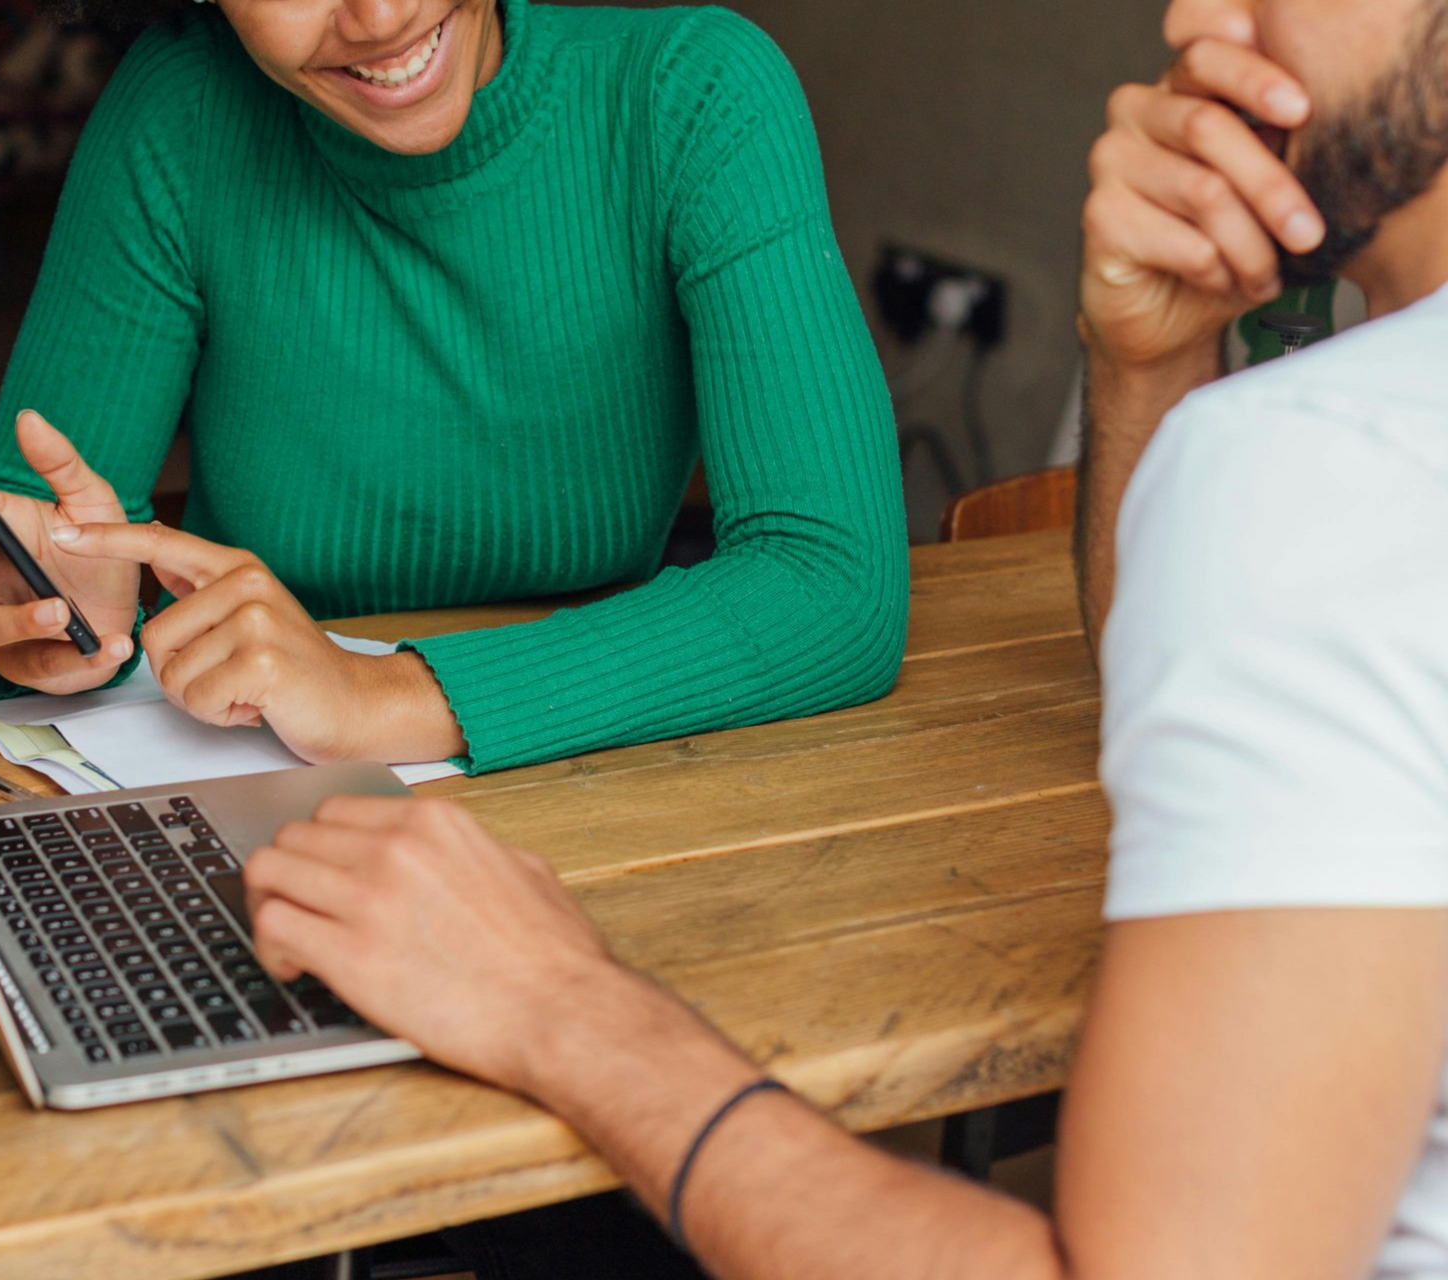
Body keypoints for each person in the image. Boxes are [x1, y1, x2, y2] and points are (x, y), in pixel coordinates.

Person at [236, 0, 1448, 1275]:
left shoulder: (1322, 468)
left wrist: (563, 1006)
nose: (1196, 18)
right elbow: (1168, 677)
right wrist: (1147, 364)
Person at [0, 0, 907, 776]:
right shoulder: (178, 112)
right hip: (271, 783)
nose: (381, 18)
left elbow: (833, 586)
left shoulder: (697, 94)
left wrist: (378, 698)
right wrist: (77, 619)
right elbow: (37, 527)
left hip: (632, 756)